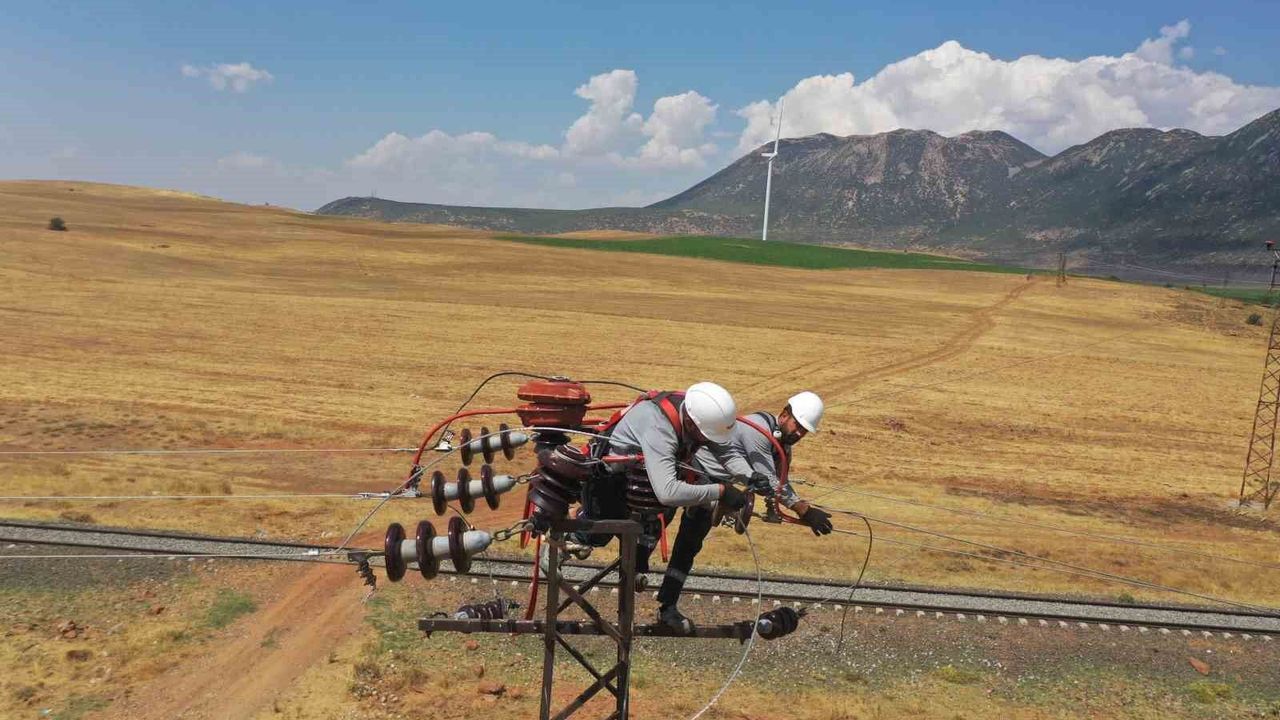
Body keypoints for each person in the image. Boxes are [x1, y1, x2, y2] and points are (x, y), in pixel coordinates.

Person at [656, 391, 833, 634]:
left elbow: (776, 483)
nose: (800, 433)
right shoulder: (759, 431)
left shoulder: (782, 448)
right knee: (656, 519)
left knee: (688, 547)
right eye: (798, 426)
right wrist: (804, 509)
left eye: (804, 431)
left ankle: (667, 607)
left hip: (717, 488)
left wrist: (784, 507)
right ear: (784, 415)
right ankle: (636, 569)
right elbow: (770, 479)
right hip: (691, 470)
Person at [571, 381, 772, 571]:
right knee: (601, 531)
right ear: (691, 424)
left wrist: (750, 475)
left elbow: (726, 451)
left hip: (642, 481)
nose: (706, 443)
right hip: (610, 480)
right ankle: (571, 539)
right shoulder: (661, 427)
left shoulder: (699, 415)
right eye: (705, 437)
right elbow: (667, 492)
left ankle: (635, 564)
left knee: (653, 528)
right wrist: (720, 491)